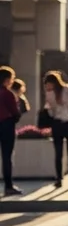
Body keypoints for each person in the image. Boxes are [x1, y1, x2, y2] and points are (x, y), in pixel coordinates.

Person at [43, 71, 68, 187]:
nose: (47, 86)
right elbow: (50, 111)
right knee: (58, 152)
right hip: (56, 123)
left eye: (48, 83)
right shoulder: (49, 93)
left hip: (67, 122)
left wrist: (62, 104)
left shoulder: (67, 89)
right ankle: (58, 178)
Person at [0, 67, 21, 197]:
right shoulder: (7, 93)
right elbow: (15, 112)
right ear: (7, 79)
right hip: (6, 125)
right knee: (7, 156)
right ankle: (8, 186)